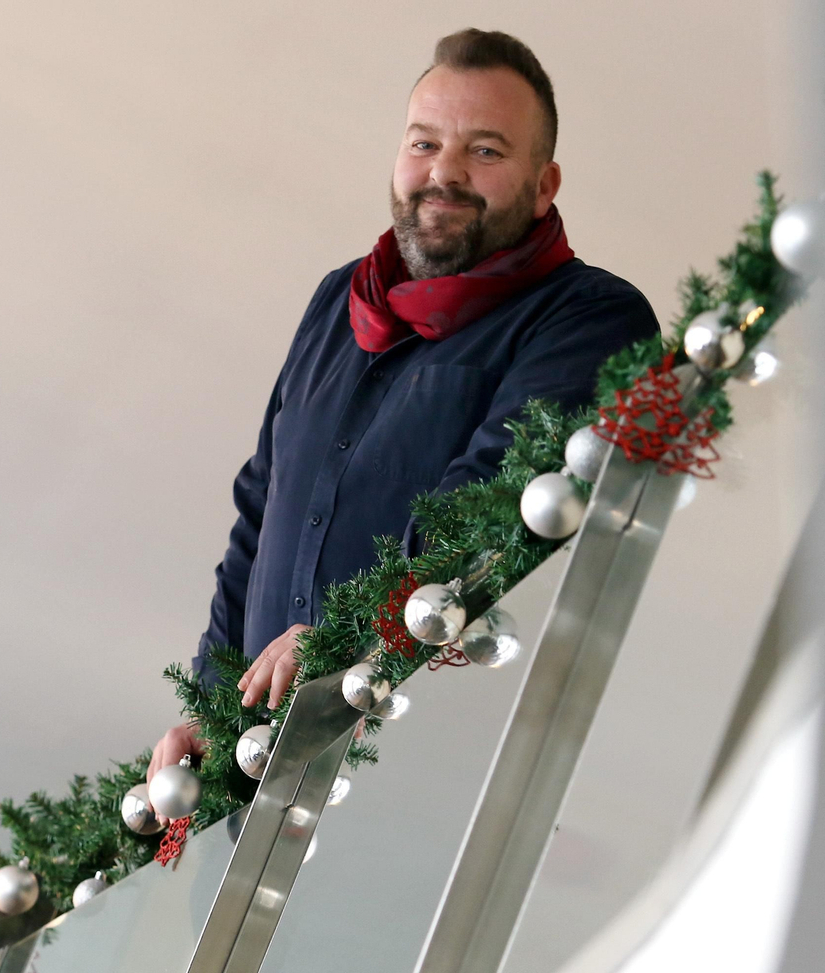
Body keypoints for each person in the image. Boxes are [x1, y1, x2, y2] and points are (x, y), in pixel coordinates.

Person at [148, 28, 659, 782]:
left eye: (485, 152)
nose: (443, 174)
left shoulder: (590, 320)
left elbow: (482, 518)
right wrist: (214, 702)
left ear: (544, 184)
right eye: (424, 144)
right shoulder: (337, 301)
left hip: (414, 785)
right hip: (254, 785)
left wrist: (328, 645)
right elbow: (262, 510)